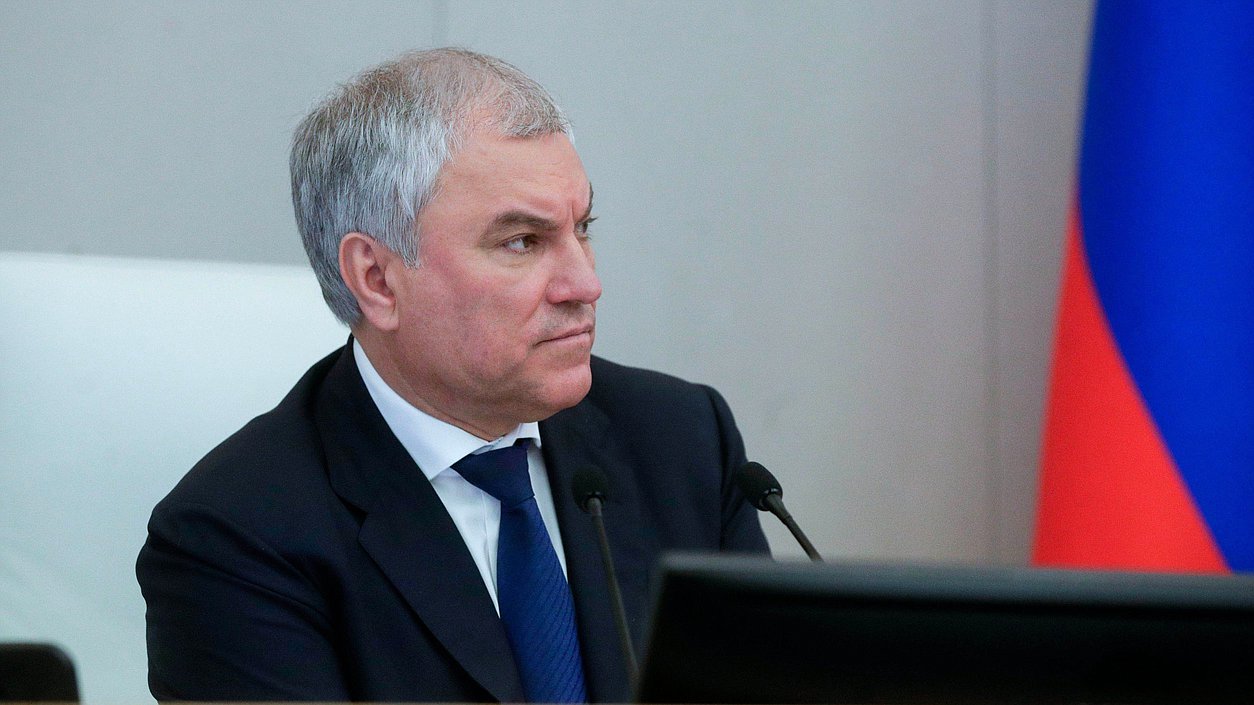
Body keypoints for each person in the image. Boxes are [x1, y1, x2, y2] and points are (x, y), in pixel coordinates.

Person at [136, 48, 768, 703]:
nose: (586, 283)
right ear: (377, 279)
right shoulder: (237, 536)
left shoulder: (683, 440)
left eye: (582, 228)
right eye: (522, 241)